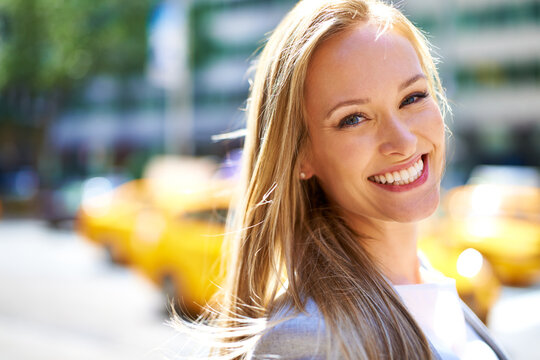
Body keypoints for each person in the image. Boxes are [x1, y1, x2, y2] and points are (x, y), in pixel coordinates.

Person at [182, 0, 509, 359]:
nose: (403, 142)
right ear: (300, 155)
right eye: (354, 118)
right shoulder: (309, 339)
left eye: (413, 97)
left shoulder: (430, 284)